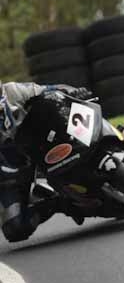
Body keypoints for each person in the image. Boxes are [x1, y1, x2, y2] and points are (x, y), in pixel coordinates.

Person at [0, 81, 91, 242]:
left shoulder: (12, 91)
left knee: (78, 114)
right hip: (13, 174)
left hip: (43, 142)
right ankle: (60, 203)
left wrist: (73, 92)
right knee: (15, 228)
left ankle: (114, 143)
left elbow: (49, 90)